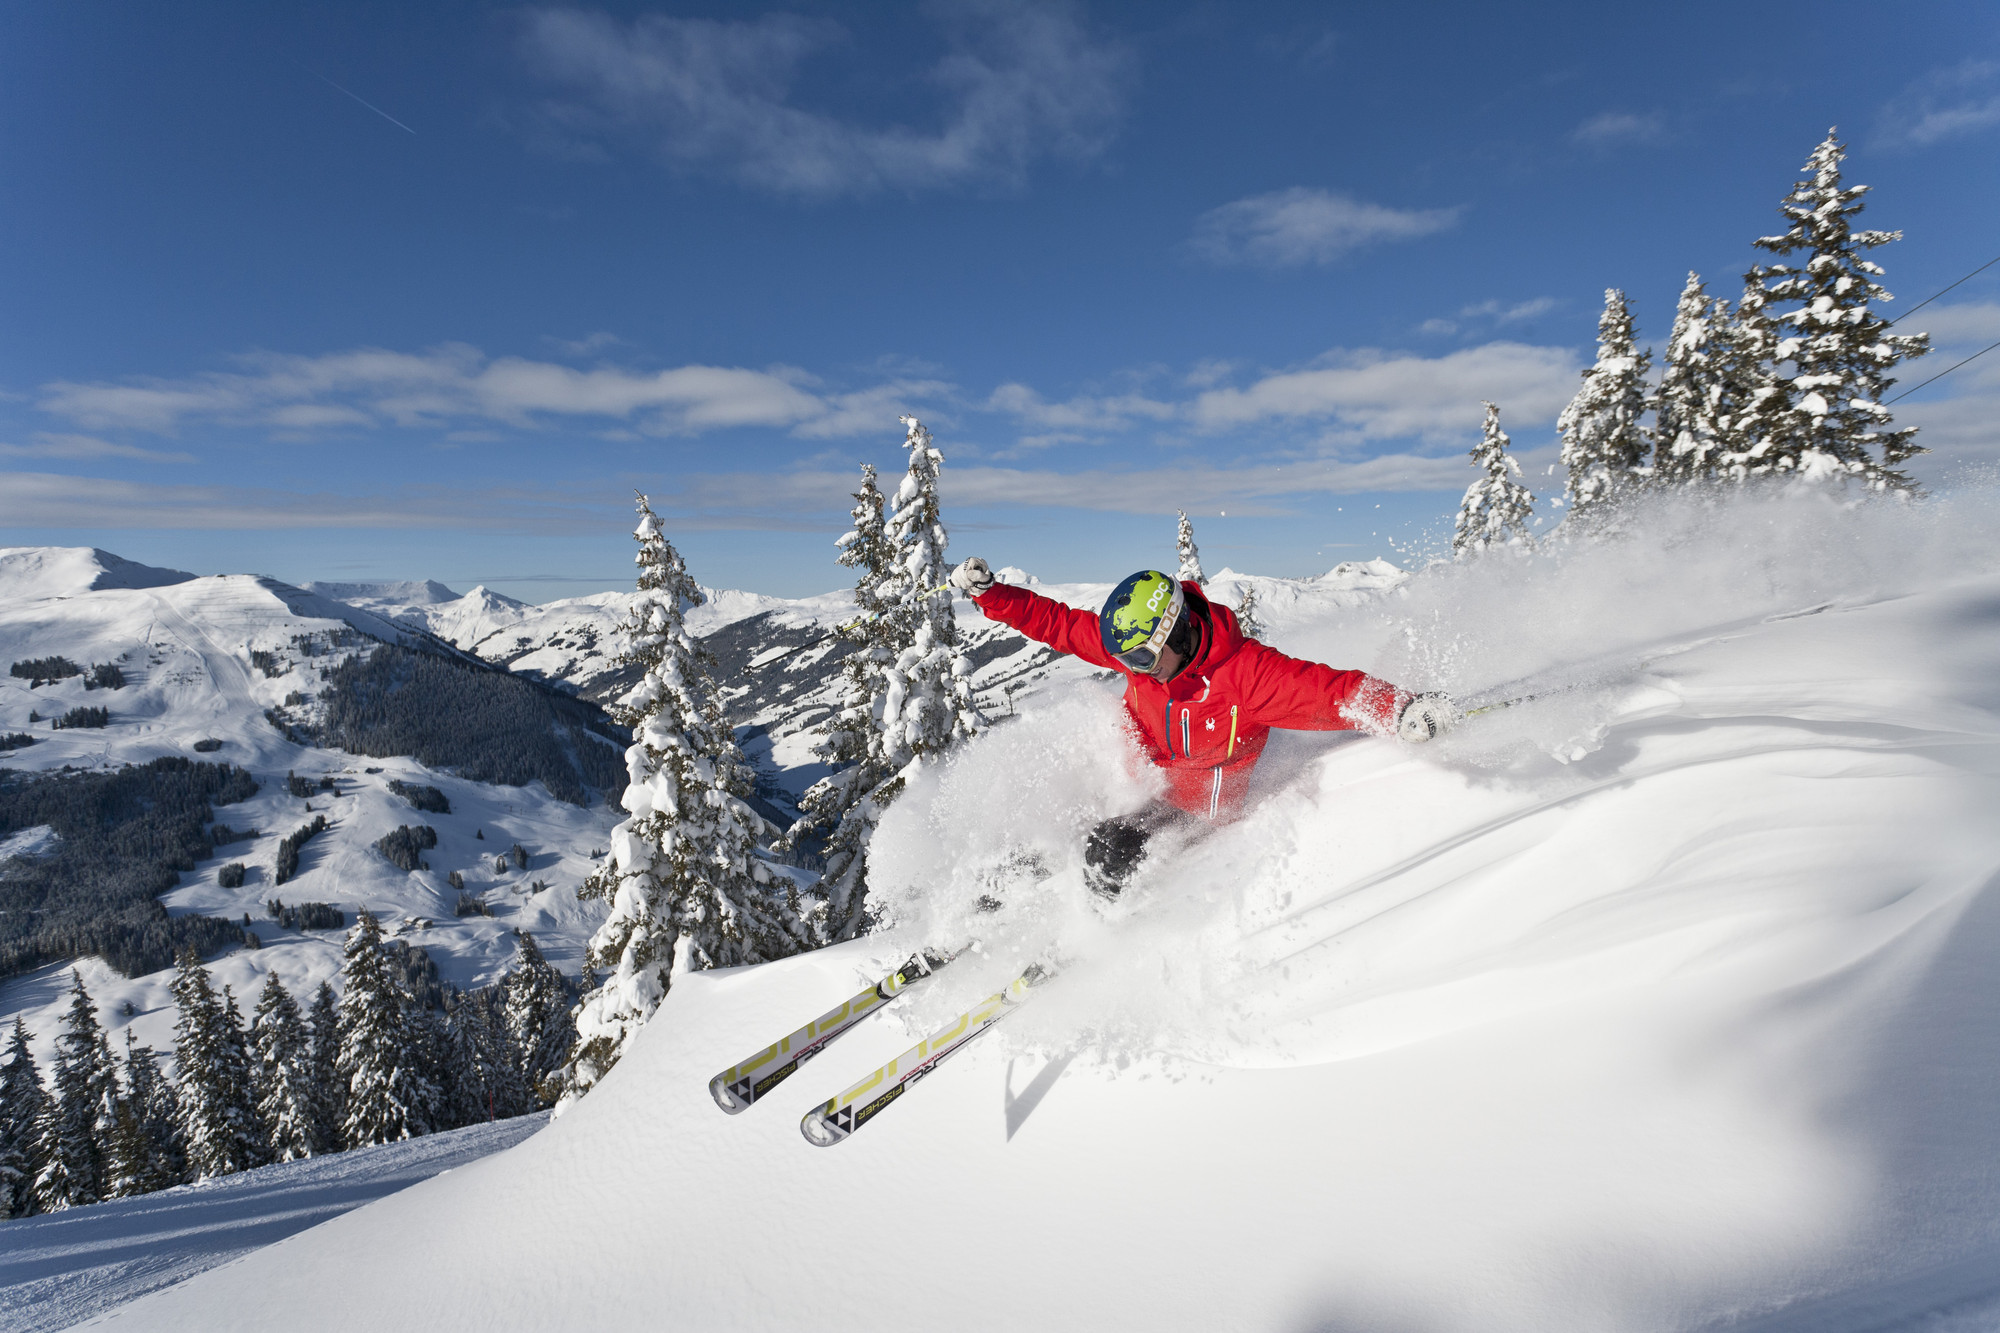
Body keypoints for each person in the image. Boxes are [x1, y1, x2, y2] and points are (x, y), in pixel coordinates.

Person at [947, 558, 1452, 897]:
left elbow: (1329, 691)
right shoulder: (1147, 654)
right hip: (1139, 780)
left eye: (1142, 657)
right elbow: (1056, 623)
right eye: (1125, 659)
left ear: (1179, 629)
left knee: (1110, 846)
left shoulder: (1245, 675)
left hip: (1195, 810)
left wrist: (1401, 708)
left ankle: (1091, 933)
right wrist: (992, 596)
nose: (1135, 668)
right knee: (1048, 834)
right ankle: (995, 908)